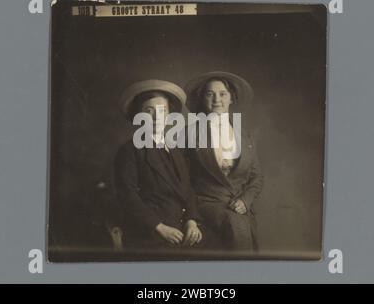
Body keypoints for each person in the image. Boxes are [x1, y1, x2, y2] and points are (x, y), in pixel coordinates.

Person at [113, 79, 215, 253]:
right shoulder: (130, 151)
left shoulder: (175, 150)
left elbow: (188, 189)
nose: (155, 117)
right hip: (152, 233)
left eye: (162, 111)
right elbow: (127, 196)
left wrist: (191, 221)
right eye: (148, 111)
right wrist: (160, 228)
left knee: (219, 247)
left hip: (183, 227)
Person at [185, 71, 264, 251]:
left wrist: (245, 200)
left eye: (222, 94)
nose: (216, 99)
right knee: (234, 226)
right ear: (202, 99)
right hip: (207, 205)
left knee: (243, 230)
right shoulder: (189, 134)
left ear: (231, 98)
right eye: (209, 94)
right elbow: (183, 180)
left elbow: (257, 177)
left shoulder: (244, 135)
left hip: (240, 206)